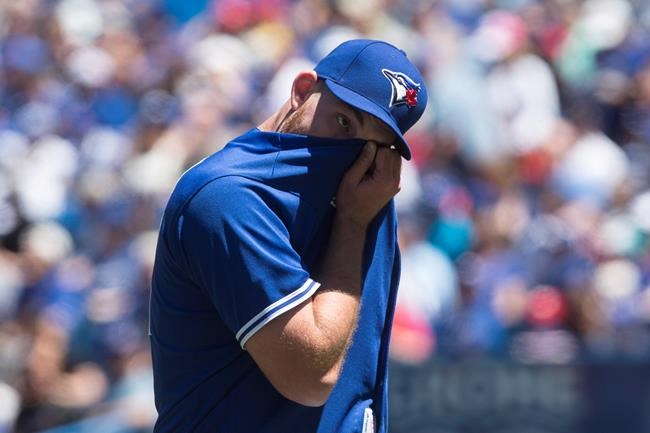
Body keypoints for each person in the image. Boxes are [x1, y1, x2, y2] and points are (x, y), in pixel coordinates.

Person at [149, 39, 428, 433]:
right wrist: (351, 226)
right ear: (302, 91)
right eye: (343, 122)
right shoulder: (226, 196)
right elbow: (309, 378)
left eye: (372, 146)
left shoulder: (363, 192)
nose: (349, 152)